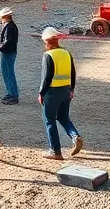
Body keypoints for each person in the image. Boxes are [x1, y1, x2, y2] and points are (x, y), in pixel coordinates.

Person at [38, 27, 83, 160]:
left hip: (52, 93)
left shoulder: (48, 55)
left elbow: (46, 77)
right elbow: (73, 73)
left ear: (47, 41)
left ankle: (55, 151)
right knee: (63, 117)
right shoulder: (66, 53)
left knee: (49, 120)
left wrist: (41, 93)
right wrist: (71, 89)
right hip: (66, 91)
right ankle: (75, 136)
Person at [0, 7, 19, 104]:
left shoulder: (9, 27)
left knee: (8, 74)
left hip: (7, 53)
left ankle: (13, 95)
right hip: (9, 52)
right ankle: (10, 93)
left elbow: (7, 42)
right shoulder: (10, 26)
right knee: (8, 74)